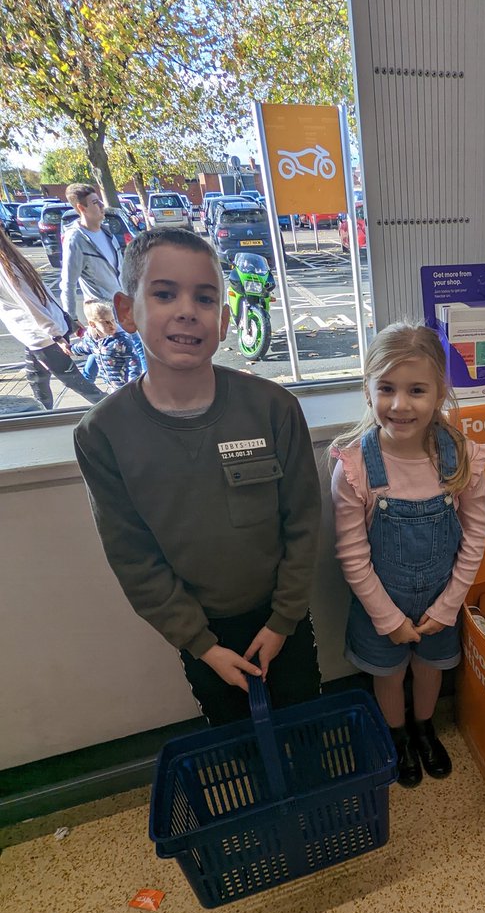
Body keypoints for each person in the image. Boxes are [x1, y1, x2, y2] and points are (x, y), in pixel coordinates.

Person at [73, 228, 321, 726]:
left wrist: (282, 621)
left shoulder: (273, 408)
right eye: (164, 293)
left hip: (283, 621)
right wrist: (201, 645)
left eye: (205, 298)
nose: (187, 310)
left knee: (303, 723)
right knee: (234, 734)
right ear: (126, 310)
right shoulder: (103, 434)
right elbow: (133, 555)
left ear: (225, 320)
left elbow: (304, 521)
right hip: (200, 632)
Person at [331, 323, 485, 787]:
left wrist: (447, 607)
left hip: (442, 604)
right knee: (387, 674)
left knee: (430, 670)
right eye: (387, 388)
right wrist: (388, 618)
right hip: (381, 606)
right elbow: (352, 556)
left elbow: (475, 537)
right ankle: (397, 735)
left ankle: (424, 729)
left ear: (440, 391)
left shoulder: (461, 457)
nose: (400, 405)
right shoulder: (354, 468)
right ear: (368, 390)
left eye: (416, 390)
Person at [0, 225, 104, 410]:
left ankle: (120, 412)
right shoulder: (10, 260)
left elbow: (31, 303)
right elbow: (43, 296)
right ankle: (43, 417)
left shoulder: (6, 266)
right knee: (36, 379)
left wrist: (55, 334)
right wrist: (65, 321)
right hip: (37, 334)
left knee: (79, 385)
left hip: (42, 335)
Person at [60, 184, 123, 328]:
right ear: (82, 208)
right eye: (95, 202)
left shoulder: (107, 233)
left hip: (123, 309)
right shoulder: (75, 240)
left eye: (100, 201)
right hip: (104, 318)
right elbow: (68, 283)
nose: (102, 205)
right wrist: (72, 319)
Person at [70, 299, 143, 390]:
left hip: (125, 386)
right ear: (92, 324)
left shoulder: (121, 340)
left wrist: (132, 385)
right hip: (112, 385)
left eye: (113, 320)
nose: (112, 325)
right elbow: (83, 347)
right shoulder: (91, 340)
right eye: (106, 322)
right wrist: (70, 349)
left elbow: (134, 364)